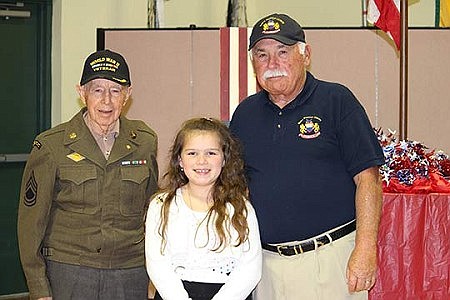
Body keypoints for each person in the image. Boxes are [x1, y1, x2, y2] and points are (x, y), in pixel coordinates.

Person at [229, 13, 385, 300]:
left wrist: (365, 248)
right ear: (253, 63)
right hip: (265, 266)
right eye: (262, 55)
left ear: (306, 55)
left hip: (331, 260)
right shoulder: (244, 114)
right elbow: (236, 185)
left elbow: (369, 180)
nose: (272, 64)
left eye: (283, 52)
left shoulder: (337, 101)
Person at [17, 49, 158, 300]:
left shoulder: (145, 141)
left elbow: (153, 211)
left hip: (129, 272)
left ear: (127, 95)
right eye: (97, 90)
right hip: (70, 271)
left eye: (115, 90)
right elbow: (31, 224)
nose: (107, 101)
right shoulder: (51, 146)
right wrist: (38, 287)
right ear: (81, 93)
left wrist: (154, 274)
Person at [145, 117, 262, 300]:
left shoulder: (241, 208)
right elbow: (157, 265)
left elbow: (251, 268)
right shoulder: (161, 206)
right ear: (180, 160)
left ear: (224, 159)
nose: (202, 161)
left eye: (211, 153)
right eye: (192, 153)